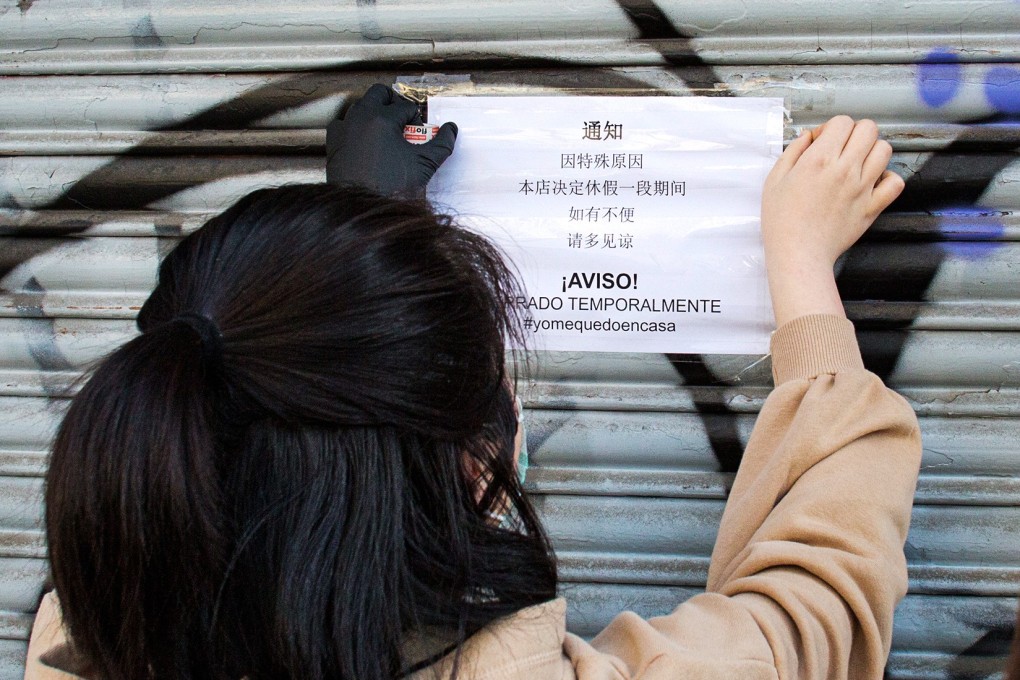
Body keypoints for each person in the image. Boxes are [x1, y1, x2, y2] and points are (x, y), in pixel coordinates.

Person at [26, 85, 920, 680]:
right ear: (476, 465)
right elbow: (811, 619)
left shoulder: (72, 648)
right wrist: (802, 272)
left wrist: (370, 252)